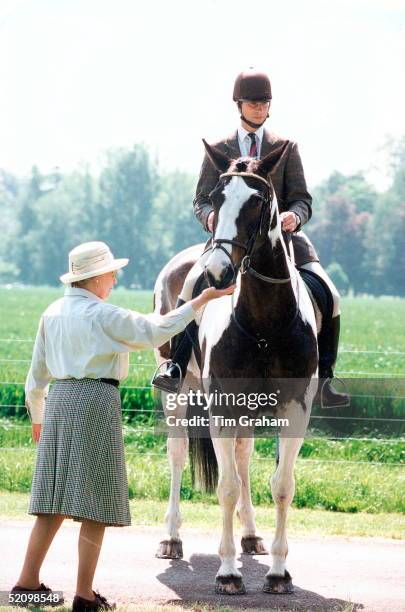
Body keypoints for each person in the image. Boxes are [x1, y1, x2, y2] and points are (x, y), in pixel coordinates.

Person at [10, 241, 234, 611]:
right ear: (96, 277)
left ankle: (26, 583)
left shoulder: (51, 312)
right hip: (95, 401)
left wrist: (39, 418)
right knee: (96, 503)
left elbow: (35, 380)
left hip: (59, 404)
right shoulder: (103, 315)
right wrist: (200, 301)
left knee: (51, 503)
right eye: (111, 272)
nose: (114, 278)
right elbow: (154, 331)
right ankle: (84, 595)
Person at [153, 68, 348, 408]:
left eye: (264, 103)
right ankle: (176, 364)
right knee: (189, 287)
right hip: (230, 240)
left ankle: (326, 379)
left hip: (283, 243)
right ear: (239, 104)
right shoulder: (218, 148)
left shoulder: (285, 147)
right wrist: (211, 216)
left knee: (329, 293)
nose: (259, 108)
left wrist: (295, 215)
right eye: (253, 103)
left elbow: (303, 198)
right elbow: (200, 199)